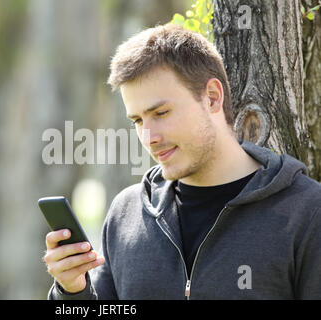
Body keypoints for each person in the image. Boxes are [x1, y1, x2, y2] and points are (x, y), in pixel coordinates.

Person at [43, 24, 321, 299]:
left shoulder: (307, 213)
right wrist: (72, 290)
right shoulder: (125, 214)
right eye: (138, 120)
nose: (148, 137)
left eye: (161, 113)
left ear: (212, 98)